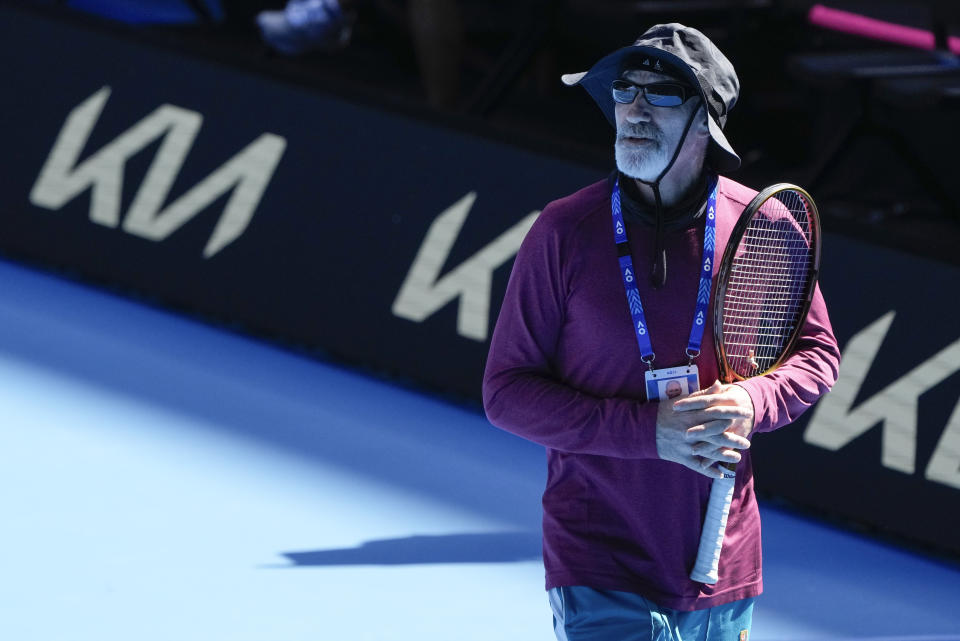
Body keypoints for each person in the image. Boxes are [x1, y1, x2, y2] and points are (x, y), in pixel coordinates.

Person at [482, 23, 841, 641]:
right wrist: (651, 433)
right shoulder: (564, 231)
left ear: (706, 123)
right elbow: (507, 392)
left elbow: (816, 355)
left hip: (723, 562)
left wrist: (751, 400)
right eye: (626, 90)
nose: (636, 109)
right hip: (598, 557)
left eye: (664, 94)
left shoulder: (765, 224)